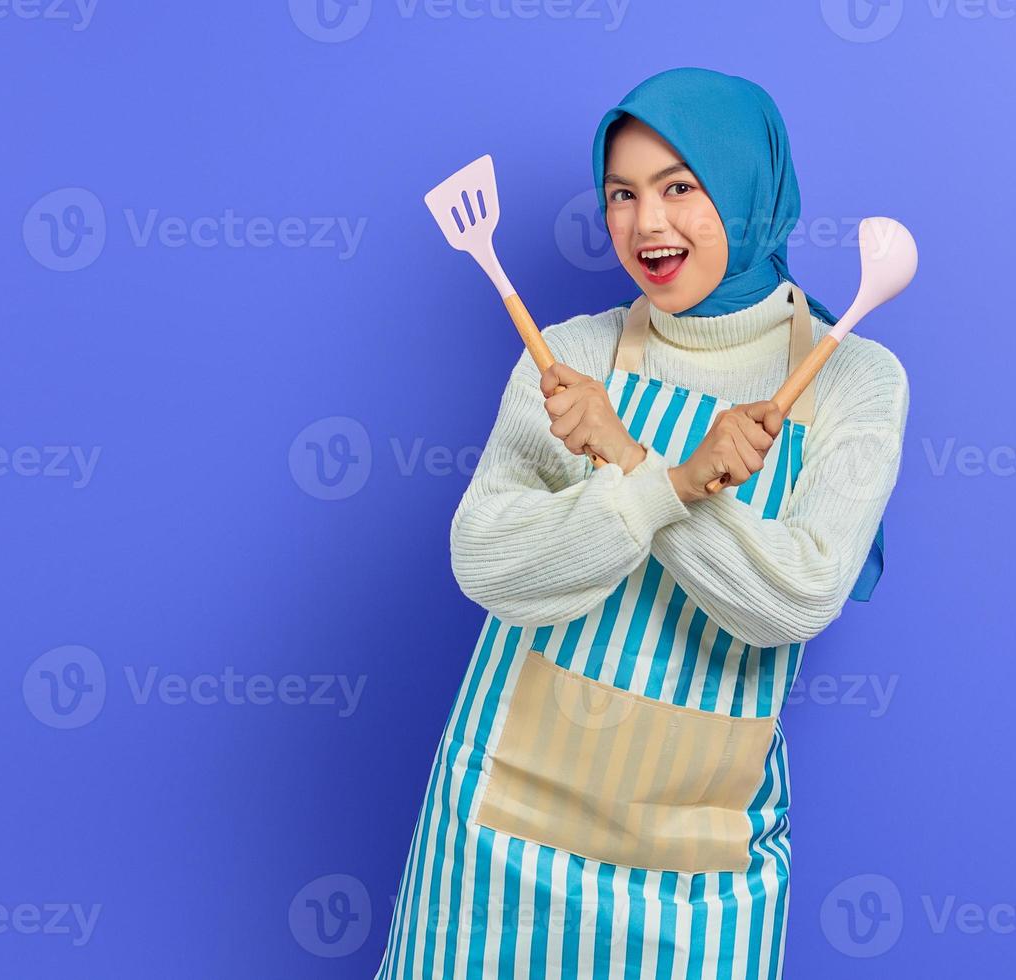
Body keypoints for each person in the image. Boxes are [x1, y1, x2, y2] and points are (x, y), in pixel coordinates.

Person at [376, 66, 910, 980]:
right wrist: (669, 487)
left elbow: (794, 596)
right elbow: (485, 558)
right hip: (502, 833)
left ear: (749, 191)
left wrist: (626, 458)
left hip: (697, 853)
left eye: (680, 188)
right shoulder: (574, 355)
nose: (646, 226)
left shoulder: (853, 379)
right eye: (621, 195)